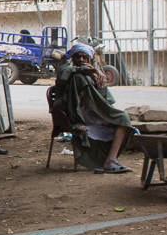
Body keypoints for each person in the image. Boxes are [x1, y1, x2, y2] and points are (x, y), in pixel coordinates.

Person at [55, 42, 134, 174]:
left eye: (84, 57)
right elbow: (64, 76)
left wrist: (94, 76)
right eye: (77, 57)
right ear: (72, 58)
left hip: (94, 112)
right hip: (73, 114)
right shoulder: (67, 69)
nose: (81, 60)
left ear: (90, 59)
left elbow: (105, 99)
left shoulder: (93, 72)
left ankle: (111, 159)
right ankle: (79, 122)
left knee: (123, 119)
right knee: (78, 77)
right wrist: (91, 70)